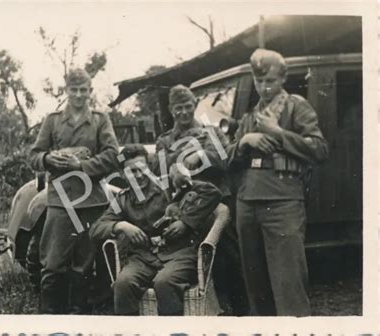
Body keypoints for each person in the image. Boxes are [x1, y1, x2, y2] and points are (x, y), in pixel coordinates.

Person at [226, 48, 329, 316]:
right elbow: (228, 157)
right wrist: (245, 142)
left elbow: (319, 149)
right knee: (256, 287)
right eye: (259, 81)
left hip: (282, 202)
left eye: (270, 80)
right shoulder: (250, 117)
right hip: (247, 203)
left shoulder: (296, 106)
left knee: (288, 286)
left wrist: (279, 133)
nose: (264, 87)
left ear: (283, 78)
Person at [89, 144, 223, 315]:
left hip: (179, 254)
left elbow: (212, 193)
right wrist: (121, 225)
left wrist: (186, 222)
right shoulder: (123, 200)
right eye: (132, 171)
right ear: (123, 174)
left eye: (141, 169)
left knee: (164, 282)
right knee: (123, 283)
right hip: (144, 258)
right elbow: (96, 229)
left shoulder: (168, 186)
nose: (138, 176)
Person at [151, 84, 249, 315]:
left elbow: (229, 159)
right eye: (178, 109)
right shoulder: (165, 141)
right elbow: (157, 169)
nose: (183, 113)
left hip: (217, 207)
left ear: (194, 106)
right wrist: (177, 165)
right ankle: (202, 311)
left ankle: (241, 313)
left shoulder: (211, 133)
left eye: (187, 107)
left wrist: (202, 154)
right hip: (185, 209)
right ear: (171, 110)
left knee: (231, 259)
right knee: (191, 262)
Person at [30, 68, 119, 314]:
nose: (79, 95)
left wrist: (82, 165)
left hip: (92, 202)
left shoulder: (101, 120)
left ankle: (78, 319)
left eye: (83, 90)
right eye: (74, 90)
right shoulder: (53, 120)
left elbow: (113, 156)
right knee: (52, 265)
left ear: (90, 92)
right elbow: (33, 156)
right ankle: (49, 320)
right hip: (61, 201)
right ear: (66, 91)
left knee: (84, 267)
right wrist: (48, 159)